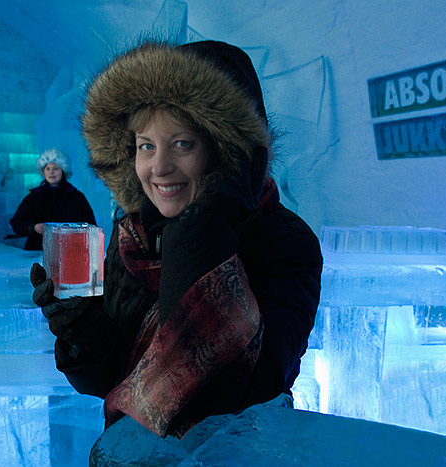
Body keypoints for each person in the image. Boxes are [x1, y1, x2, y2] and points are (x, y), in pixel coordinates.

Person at [30, 39, 323, 439]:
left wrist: (201, 227)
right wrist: (83, 334)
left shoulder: (283, 241)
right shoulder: (131, 238)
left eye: (182, 143)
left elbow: (242, 393)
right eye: (145, 146)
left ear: (227, 150)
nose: (159, 167)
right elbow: (109, 382)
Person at [10, 148, 97, 250]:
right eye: (47, 169)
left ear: (63, 171)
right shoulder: (33, 197)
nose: (51, 172)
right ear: (43, 172)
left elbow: (92, 228)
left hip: (70, 251)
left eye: (55, 168)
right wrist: (33, 227)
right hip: (38, 251)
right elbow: (16, 223)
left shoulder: (76, 197)